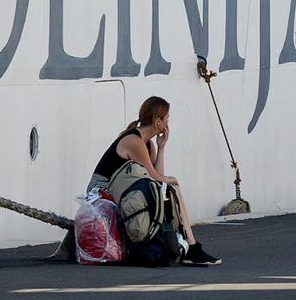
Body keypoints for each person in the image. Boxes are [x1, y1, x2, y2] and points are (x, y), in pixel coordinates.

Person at [89, 96, 221, 266]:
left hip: (120, 189)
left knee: (170, 186)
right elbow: (156, 178)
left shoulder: (147, 144)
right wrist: (173, 181)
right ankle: (191, 245)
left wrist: (161, 147)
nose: (168, 123)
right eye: (166, 118)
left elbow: (156, 181)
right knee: (173, 184)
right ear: (157, 121)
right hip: (101, 191)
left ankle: (185, 243)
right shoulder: (134, 141)